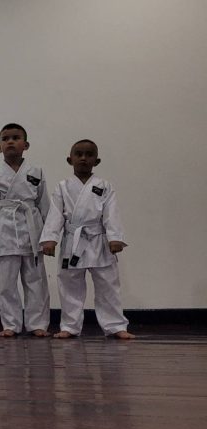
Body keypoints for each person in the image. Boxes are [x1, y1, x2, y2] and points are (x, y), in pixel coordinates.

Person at [39, 139, 135, 339]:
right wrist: (50, 238)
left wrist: (114, 237)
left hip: (99, 239)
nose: (83, 158)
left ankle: (116, 326)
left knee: (108, 284)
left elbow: (111, 213)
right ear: (70, 159)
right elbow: (55, 214)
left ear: (96, 161)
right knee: (69, 285)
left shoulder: (104, 186)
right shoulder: (63, 186)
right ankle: (70, 326)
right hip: (72, 240)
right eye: (79, 154)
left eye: (89, 154)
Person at [0, 123, 51, 337]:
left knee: (35, 280)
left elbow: (44, 203)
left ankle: (37, 323)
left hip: (32, 228)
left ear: (26, 145)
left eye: (16, 137)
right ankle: (10, 324)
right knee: (7, 282)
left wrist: (49, 235)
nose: (10, 141)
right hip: (5, 229)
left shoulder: (36, 171)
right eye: (5, 138)